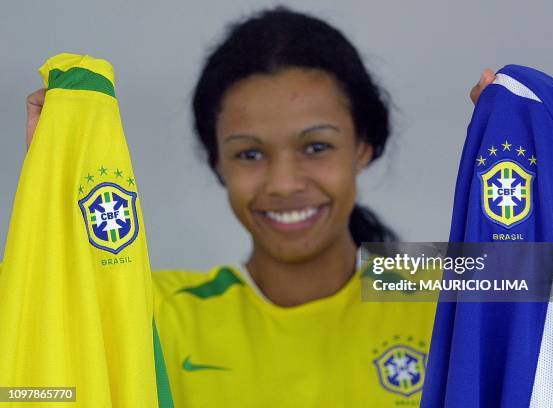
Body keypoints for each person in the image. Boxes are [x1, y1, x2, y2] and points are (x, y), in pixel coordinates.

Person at [23, 7, 494, 407]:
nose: (284, 183)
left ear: (364, 146)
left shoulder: (444, 284)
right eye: (249, 154)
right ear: (218, 162)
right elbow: (33, 344)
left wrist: (526, 147)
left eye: (316, 147)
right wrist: (53, 197)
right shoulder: (158, 310)